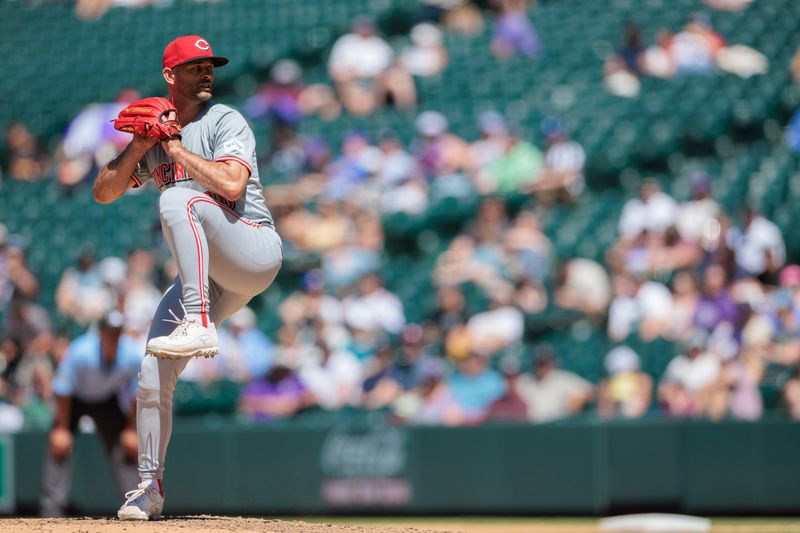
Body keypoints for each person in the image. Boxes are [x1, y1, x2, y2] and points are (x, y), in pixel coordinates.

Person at [93, 35, 283, 520]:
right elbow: (103, 192)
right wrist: (139, 145)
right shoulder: (156, 134)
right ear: (169, 76)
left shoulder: (225, 120)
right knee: (154, 367)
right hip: (212, 274)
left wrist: (173, 149)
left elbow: (232, 184)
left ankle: (199, 320)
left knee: (177, 197)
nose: (206, 73)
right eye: (195, 66)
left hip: (253, 248)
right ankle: (149, 487)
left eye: (209, 66)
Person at [39, 311, 142, 517]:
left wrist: (131, 429)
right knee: (59, 445)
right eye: (108, 332)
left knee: (126, 446)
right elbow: (63, 389)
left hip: (106, 399)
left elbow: (136, 394)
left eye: (116, 333)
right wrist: (61, 428)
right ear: (100, 333)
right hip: (73, 400)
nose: (112, 337)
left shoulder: (130, 354)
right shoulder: (81, 351)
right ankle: (51, 509)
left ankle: (137, 503)